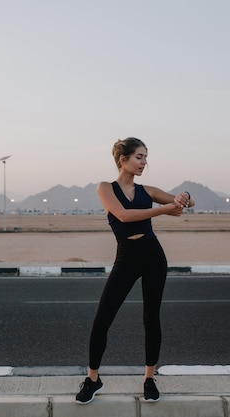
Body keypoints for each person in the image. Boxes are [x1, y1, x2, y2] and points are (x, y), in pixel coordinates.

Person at [75, 137, 195, 404]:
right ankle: (93, 379)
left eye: (145, 158)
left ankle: (149, 378)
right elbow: (123, 216)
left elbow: (187, 202)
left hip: (153, 256)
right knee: (101, 320)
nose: (144, 162)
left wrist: (184, 198)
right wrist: (163, 210)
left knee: (151, 318)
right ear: (123, 160)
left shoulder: (148, 190)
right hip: (126, 258)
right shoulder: (105, 188)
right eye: (139, 157)